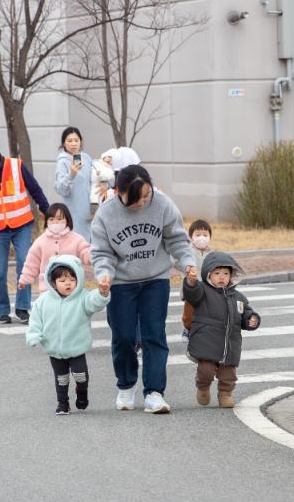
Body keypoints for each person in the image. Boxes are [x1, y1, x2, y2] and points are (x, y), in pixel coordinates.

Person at [91, 164, 196, 414]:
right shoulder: (106, 214)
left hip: (155, 279)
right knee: (124, 336)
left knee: (154, 335)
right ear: (119, 192)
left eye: (146, 195)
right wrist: (104, 275)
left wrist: (187, 263)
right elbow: (101, 252)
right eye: (136, 198)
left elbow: (176, 239)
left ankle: (154, 392)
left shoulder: (162, 204)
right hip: (121, 283)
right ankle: (126, 385)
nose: (142, 202)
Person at [0, 142, 50, 324]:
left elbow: (35, 190)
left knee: (24, 262)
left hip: (21, 224)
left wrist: (49, 212)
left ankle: (22, 307)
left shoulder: (16, 166)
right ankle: (1, 309)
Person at [25, 255, 110, 415]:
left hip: (76, 347)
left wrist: (102, 293)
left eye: (72, 279)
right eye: (63, 281)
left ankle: (82, 393)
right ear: (53, 282)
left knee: (81, 375)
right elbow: (35, 321)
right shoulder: (43, 301)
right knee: (61, 378)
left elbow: (95, 302)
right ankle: (63, 403)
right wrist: (34, 335)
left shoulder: (83, 297)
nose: (68, 283)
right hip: (54, 348)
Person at [182, 252, 260, 408]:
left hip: (229, 344)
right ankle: (203, 387)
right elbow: (192, 293)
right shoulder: (202, 291)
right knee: (206, 370)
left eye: (225, 273)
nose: (222, 277)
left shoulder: (238, 297)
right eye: (217, 273)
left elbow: (245, 312)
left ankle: (225, 394)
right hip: (206, 341)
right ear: (208, 275)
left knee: (228, 374)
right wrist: (191, 282)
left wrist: (252, 319)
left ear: (231, 275)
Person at [18, 203, 92, 294]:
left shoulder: (76, 239)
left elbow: (86, 252)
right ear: (46, 222)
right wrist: (24, 279)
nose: (55, 222)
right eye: (51, 219)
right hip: (47, 288)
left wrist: (94, 256)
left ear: (67, 220)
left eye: (59, 219)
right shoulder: (40, 241)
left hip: (71, 286)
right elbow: (31, 262)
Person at [54, 127, 93, 242]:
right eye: (69, 141)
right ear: (63, 143)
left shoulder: (86, 158)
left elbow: (93, 180)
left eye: (76, 140)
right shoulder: (63, 162)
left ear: (81, 141)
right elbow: (61, 189)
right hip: (74, 211)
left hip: (91, 210)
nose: (73, 144)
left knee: (93, 245)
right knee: (78, 244)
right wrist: (71, 175)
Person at [181, 219, 213, 341]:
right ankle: (187, 328)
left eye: (205, 235)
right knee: (189, 314)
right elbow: (176, 262)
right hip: (190, 289)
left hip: (207, 290)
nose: (202, 238)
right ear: (191, 237)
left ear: (210, 237)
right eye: (198, 235)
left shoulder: (212, 253)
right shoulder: (187, 252)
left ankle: (202, 332)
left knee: (205, 313)